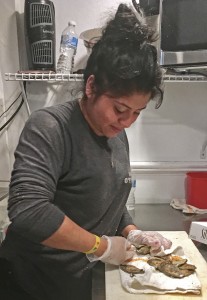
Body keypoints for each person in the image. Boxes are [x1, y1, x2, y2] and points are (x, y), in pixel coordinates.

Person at [0, 3, 171, 300]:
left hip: (78, 281)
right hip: (30, 282)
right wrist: (102, 247)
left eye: (136, 112)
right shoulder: (51, 127)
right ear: (91, 86)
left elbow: (110, 200)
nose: (126, 121)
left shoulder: (116, 134)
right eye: (120, 109)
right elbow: (28, 210)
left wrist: (131, 231)